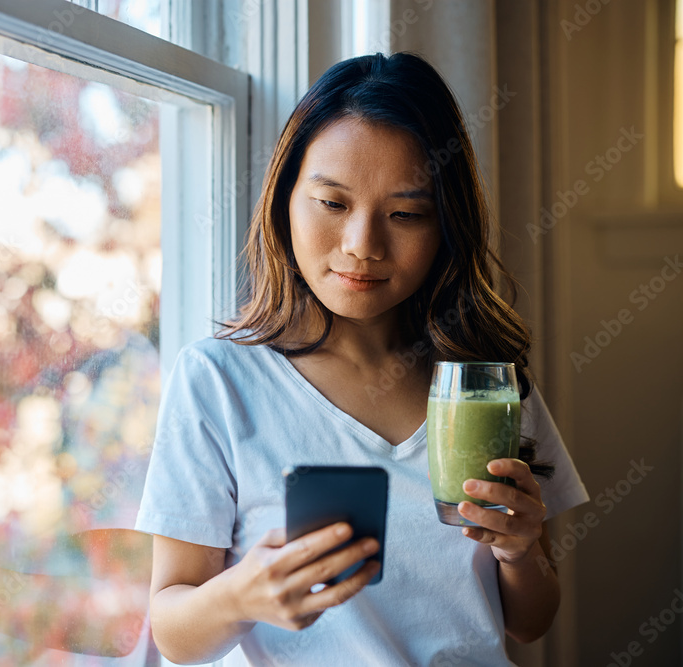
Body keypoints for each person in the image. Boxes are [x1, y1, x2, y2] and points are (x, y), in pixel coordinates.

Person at [132, 52, 590, 666]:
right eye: (333, 203)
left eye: (405, 214)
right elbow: (174, 634)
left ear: (447, 225)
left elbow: (532, 623)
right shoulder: (217, 380)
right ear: (284, 199)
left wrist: (520, 550)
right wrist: (241, 596)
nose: (362, 246)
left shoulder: (486, 382)